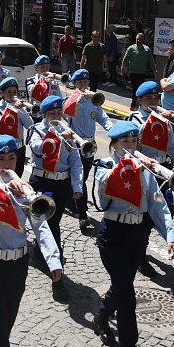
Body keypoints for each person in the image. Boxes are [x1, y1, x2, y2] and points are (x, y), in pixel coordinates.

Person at [0, 135, 63, 347]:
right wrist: (5, 189)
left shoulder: (25, 190)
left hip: (17, 265)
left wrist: (54, 261)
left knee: (6, 321)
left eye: (11, 158)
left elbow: (41, 227)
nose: (7, 164)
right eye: (0, 159)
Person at [92, 121, 174, 347]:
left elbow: (157, 204)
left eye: (134, 141)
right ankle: (129, 343)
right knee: (127, 292)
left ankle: (102, 313)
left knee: (123, 284)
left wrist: (170, 235)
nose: (130, 145)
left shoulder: (145, 171)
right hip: (113, 234)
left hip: (137, 233)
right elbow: (100, 196)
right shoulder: (105, 166)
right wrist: (128, 166)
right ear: (114, 144)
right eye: (125, 142)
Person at [127, 81, 174, 277]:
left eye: (156, 98)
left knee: (166, 210)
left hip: (164, 171)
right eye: (149, 99)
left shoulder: (163, 121)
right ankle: (140, 257)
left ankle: (144, 244)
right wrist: (155, 119)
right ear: (140, 101)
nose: (153, 101)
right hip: (144, 170)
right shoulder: (135, 118)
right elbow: (132, 144)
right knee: (145, 217)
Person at [26, 95, 83, 302]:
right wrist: (56, 134)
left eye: (59, 113)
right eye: (52, 114)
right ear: (44, 115)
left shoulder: (68, 132)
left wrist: (77, 187)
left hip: (62, 184)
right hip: (42, 183)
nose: (57, 117)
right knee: (50, 226)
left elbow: (76, 162)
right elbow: (39, 149)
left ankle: (41, 252)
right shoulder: (36, 131)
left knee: (53, 222)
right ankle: (57, 278)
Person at [63, 69, 113, 229]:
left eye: (86, 82)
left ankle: (72, 200)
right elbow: (65, 113)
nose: (84, 85)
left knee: (82, 178)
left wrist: (111, 129)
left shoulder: (94, 101)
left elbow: (101, 117)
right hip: (75, 144)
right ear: (75, 84)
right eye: (80, 83)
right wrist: (78, 98)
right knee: (79, 177)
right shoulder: (70, 99)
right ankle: (82, 213)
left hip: (89, 144)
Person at [0, 77, 34, 178]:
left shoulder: (20, 108)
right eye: (9, 92)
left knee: (17, 177)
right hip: (3, 149)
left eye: (14, 92)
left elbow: (30, 125)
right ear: (2, 93)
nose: (12, 94)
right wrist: (13, 109)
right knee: (2, 177)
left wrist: (22, 110)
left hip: (19, 148)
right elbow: (0, 123)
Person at [121, 33, 156, 111]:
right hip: (133, 72)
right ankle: (134, 104)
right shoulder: (131, 48)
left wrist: (154, 69)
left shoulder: (147, 49)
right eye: (137, 39)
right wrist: (122, 68)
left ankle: (139, 104)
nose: (138, 41)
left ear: (143, 40)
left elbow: (151, 60)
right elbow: (125, 59)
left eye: (140, 39)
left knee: (141, 89)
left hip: (142, 73)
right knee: (135, 89)